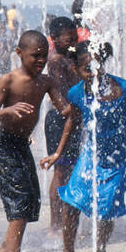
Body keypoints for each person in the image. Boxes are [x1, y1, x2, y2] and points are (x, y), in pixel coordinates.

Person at [42, 42, 126, 252]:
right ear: (76, 70)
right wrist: (58, 152)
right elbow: (73, 121)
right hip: (91, 155)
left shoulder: (123, 89)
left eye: (98, 67)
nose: (94, 73)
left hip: (120, 159)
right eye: (87, 69)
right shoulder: (76, 92)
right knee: (71, 201)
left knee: (105, 210)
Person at [0, 30, 69, 252]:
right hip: (2, 143)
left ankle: (6, 249)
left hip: (21, 144)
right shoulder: (9, 80)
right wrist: (7, 111)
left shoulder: (46, 82)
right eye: (35, 56)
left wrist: (80, 109)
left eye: (44, 56)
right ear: (20, 54)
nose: (41, 61)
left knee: (31, 197)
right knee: (19, 195)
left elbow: (63, 109)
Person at [43, 17, 81, 235]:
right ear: (55, 39)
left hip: (72, 117)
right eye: (69, 39)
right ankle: (55, 224)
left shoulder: (68, 56)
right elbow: (64, 90)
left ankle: (66, 220)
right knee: (61, 170)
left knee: (71, 169)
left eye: (75, 38)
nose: (73, 42)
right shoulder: (57, 59)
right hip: (61, 119)